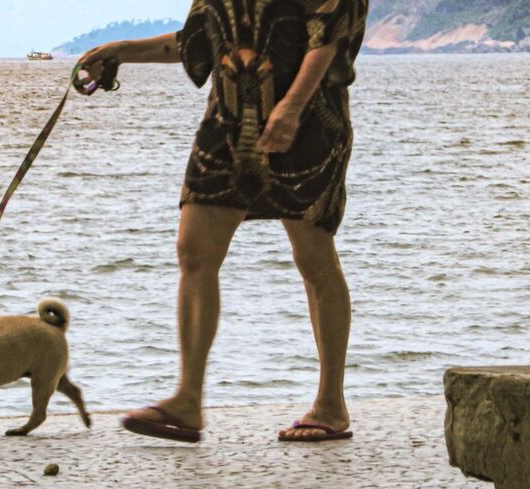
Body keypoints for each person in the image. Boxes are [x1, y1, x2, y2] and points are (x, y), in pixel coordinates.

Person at [79, 0, 368, 443]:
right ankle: (188, 399)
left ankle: (331, 404)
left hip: (310, 121)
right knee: (193, 250)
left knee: (313, 257)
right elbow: (195, 43)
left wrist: (290, 109)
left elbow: (327, 37)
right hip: (226, 125)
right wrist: (120, 50)